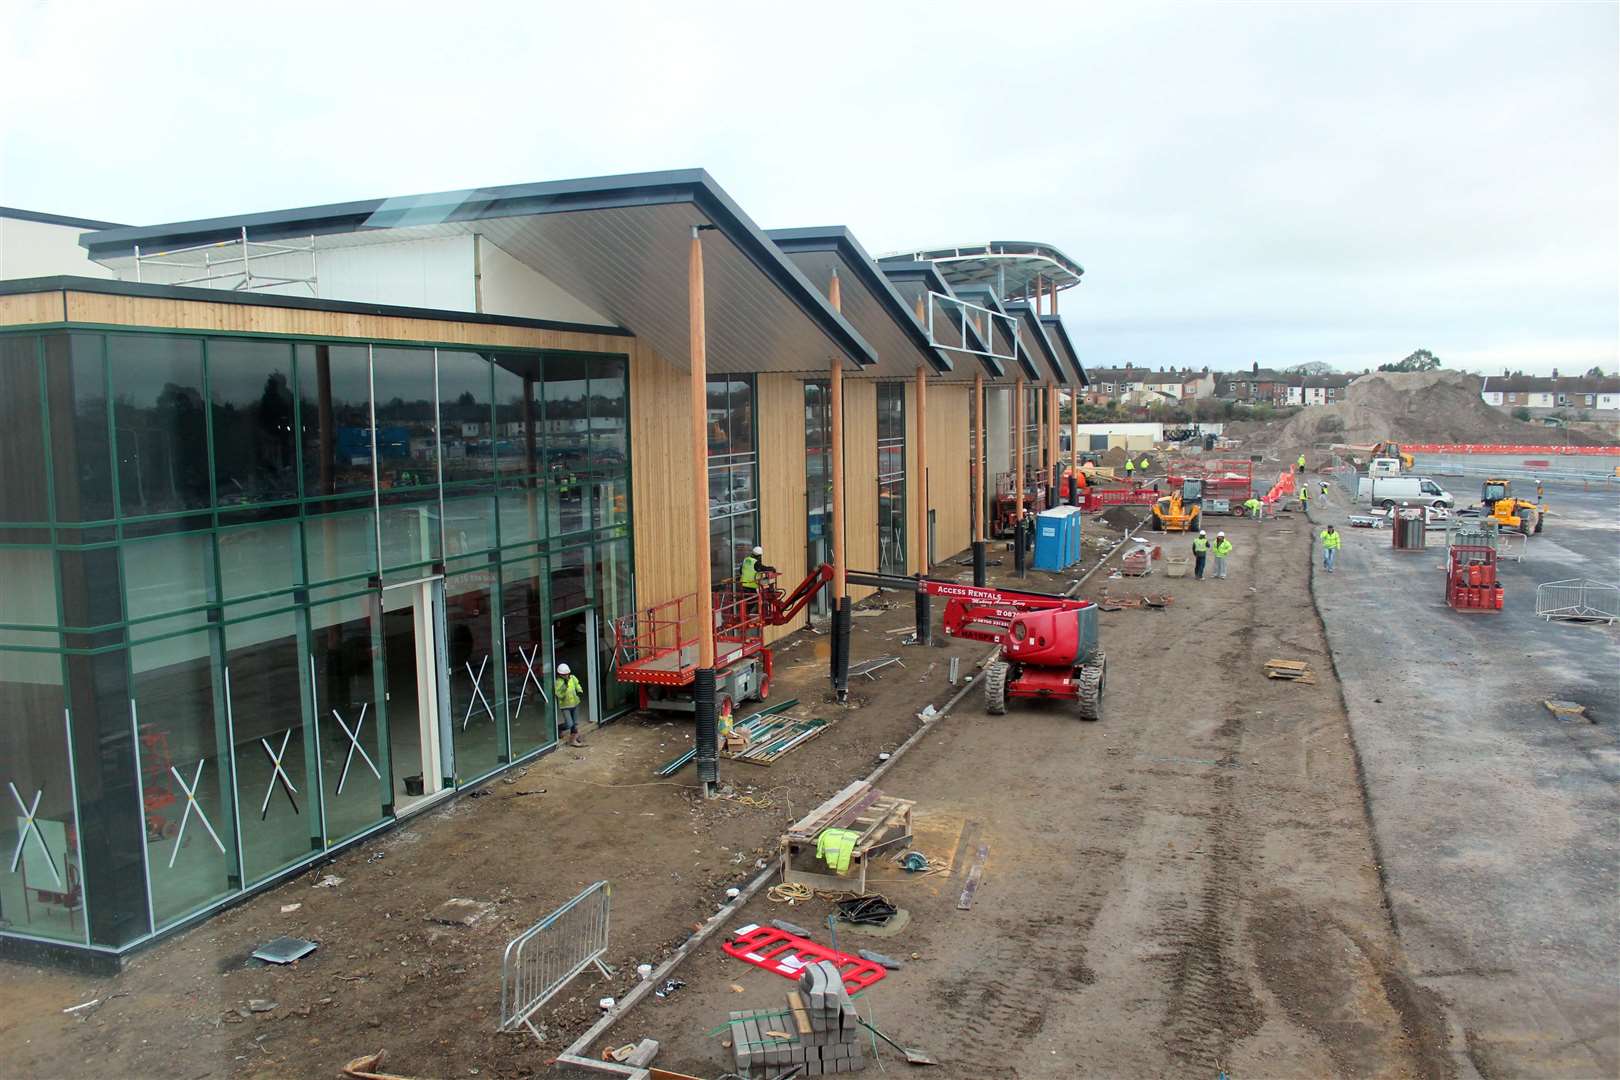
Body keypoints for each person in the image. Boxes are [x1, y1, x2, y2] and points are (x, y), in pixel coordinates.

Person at [555, 662, 586, 747]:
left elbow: (577, 684)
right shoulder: (558, 682)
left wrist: (579, 690)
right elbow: (559, 694)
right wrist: (564, 686)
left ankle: (573, 739)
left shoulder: (572, 678)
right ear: (560, 674)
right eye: (564, 675)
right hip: (565, 706)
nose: (566, 676)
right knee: (569, 724)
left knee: (575, 723)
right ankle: (558, 728)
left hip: (575, 704)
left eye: (567, 674)